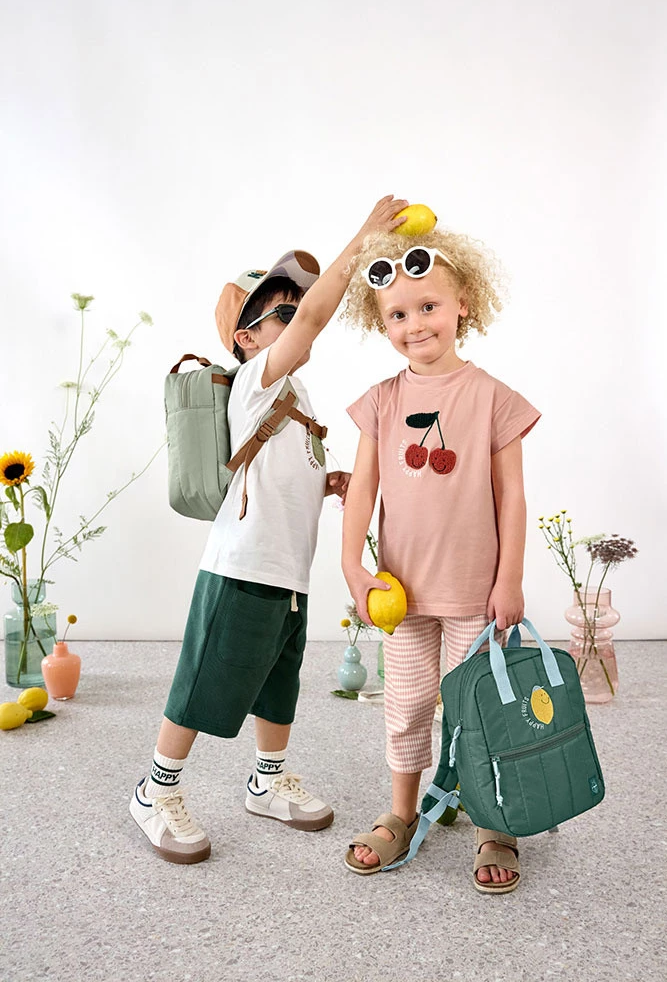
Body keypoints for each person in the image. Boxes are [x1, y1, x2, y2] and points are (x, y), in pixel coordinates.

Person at [130, 196, 408, 863]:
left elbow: (283, 469)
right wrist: (363, 238)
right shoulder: (254, 379)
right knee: (204, 679)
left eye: (295, 309)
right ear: (247, 337)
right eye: (282, 314)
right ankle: (154, 789)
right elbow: (314, 321)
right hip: (242, 566)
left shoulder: (294, 395)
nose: (297, 319)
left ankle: (266, 779)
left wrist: (328, 481)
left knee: (278, 682)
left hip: (287, 572)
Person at [341, 227, 540, 892]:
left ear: (463, 305)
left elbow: (512, 496)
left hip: (474, 591)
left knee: (478, 713)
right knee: (404, 705)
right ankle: (402, 811)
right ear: (381, 323)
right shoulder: (381, 401)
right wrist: (352, 566)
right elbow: (362, 490)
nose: (414, 324)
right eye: (397, 314)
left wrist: (509, 578)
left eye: (428, 306)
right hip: (401, 593)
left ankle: (491, 821)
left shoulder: (492, 397)